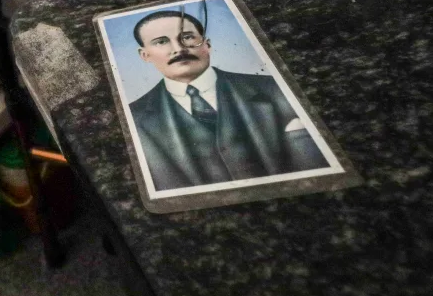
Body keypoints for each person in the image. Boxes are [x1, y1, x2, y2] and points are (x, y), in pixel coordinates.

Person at [128, 10, 329, 191]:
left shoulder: (275, 88)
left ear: (206, 44)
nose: (179, 48)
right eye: (161, 42)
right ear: (145, 55)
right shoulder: (133, 118)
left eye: (187, 37)